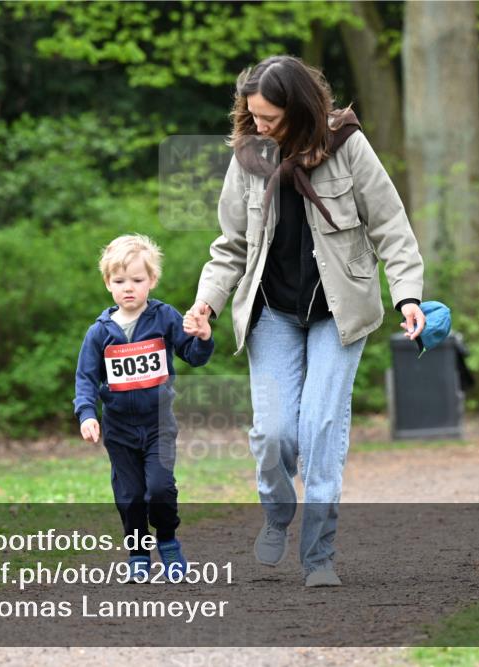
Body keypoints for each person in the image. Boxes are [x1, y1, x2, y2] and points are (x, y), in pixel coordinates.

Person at [184, 55, 426, 587]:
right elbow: (229, 246)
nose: (259, 126)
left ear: (298, 108)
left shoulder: (349, 147)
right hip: (271, 309)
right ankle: (276, 512)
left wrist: (408, 297)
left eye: (270, 117)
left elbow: (391, 228)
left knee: (320, 427)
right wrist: (207, 304)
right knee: (272, 434)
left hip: (338, 314)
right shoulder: (248, 158)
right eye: (253, 116)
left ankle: (319, 555)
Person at [74, 233, 214, 582]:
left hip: (157, 424)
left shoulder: (164, 317)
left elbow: (193, 356)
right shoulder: (99, 333)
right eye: (120, 281)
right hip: (119, 429)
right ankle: (138, 553)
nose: (129, 288)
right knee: (131, 495)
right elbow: (85, 378)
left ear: (152, 280)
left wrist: (203, 337)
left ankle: (167, 541)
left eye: (137, 280)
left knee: (161, 488)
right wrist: (87, 414)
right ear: (108, 283)